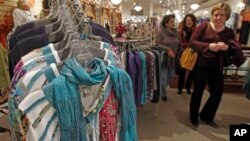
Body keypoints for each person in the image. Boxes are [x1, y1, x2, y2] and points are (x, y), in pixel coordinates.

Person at [189, 2, 237, 128]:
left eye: (222, 15)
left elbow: (233, 49)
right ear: (212, 15)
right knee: (197, 92)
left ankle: (207, 116)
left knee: (217, 93)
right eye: (216, 14)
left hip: (217, 67)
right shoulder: (204, 27)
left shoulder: (229, 32)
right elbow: (192, 43)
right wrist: (208, 46)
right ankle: (193, 117)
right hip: (202, 65)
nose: (218, 17)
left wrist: (226, 48)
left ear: (226, 17)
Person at [156, 14, 182, 101]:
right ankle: (163, 93)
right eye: (171, 21)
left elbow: (179, 45)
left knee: (171, 76)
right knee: (163, 77)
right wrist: (168, 49)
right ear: (166, 23)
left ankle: (162, 89)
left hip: (174, 59)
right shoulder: (161, 33)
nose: (173, 23)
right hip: (164, 58)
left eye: (173, 21)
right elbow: (157, 45)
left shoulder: (176, 33)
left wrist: (181, 54)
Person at [176, 14, 197, 95]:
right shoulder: (181, 31)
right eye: (187, 20)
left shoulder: (196, 30)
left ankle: (188, 88)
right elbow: (180, 43)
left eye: (191, 20)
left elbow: (198, 41)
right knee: (182, 71)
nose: (189, 22)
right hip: (184, 52)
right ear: (185, 21)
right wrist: (189, 44)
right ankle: (180, 88)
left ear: (193, 21)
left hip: (193, 53)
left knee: (191, 71)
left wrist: (192, 45)